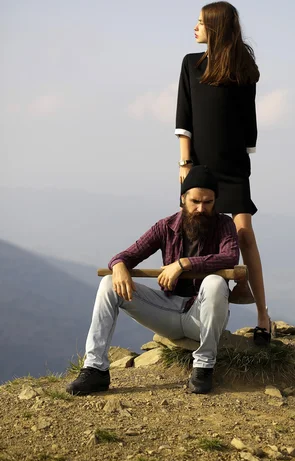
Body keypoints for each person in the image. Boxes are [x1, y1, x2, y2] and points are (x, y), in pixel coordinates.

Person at [66, 166, 239, 397]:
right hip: (166, 311)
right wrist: (118, 266)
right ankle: (96, 369)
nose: (201, 208)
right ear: (182, 198)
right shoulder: (165, 227)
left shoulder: (224, 225)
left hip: (202, 315)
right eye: (195, 201)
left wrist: (183, 264)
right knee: (108, 284)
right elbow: (126, 255)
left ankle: (204, 367)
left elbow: (229, 257)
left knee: (216, 283)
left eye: (208, 202)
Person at [175, 1, 271, 342]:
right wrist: (185, 165)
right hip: (199, 167)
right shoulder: (190, 64)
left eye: (201, 22)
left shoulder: (243, 69)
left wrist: (245, 155)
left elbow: (248, 120)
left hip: (233, 166)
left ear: (216, 28)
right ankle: (190, 310)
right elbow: (184, 120)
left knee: (244, 233)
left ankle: (262, 315)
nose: (195, 27)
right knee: (197, 230)